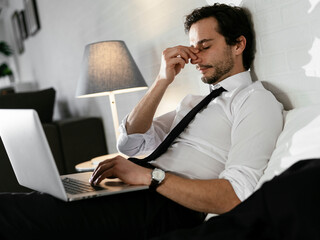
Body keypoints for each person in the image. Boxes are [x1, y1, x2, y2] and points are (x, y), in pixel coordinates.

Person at [0, 3, 283, 240]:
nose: (195, 57)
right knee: (27, 205)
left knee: (13, 213)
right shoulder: (194, 102)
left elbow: (235, 195)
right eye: (193, 47)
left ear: (238, 44)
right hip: (138, 189)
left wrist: (148, 177)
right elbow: (130, 142)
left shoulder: (254, 101)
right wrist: (162, 80)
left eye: (205, 46)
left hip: (167, 206)